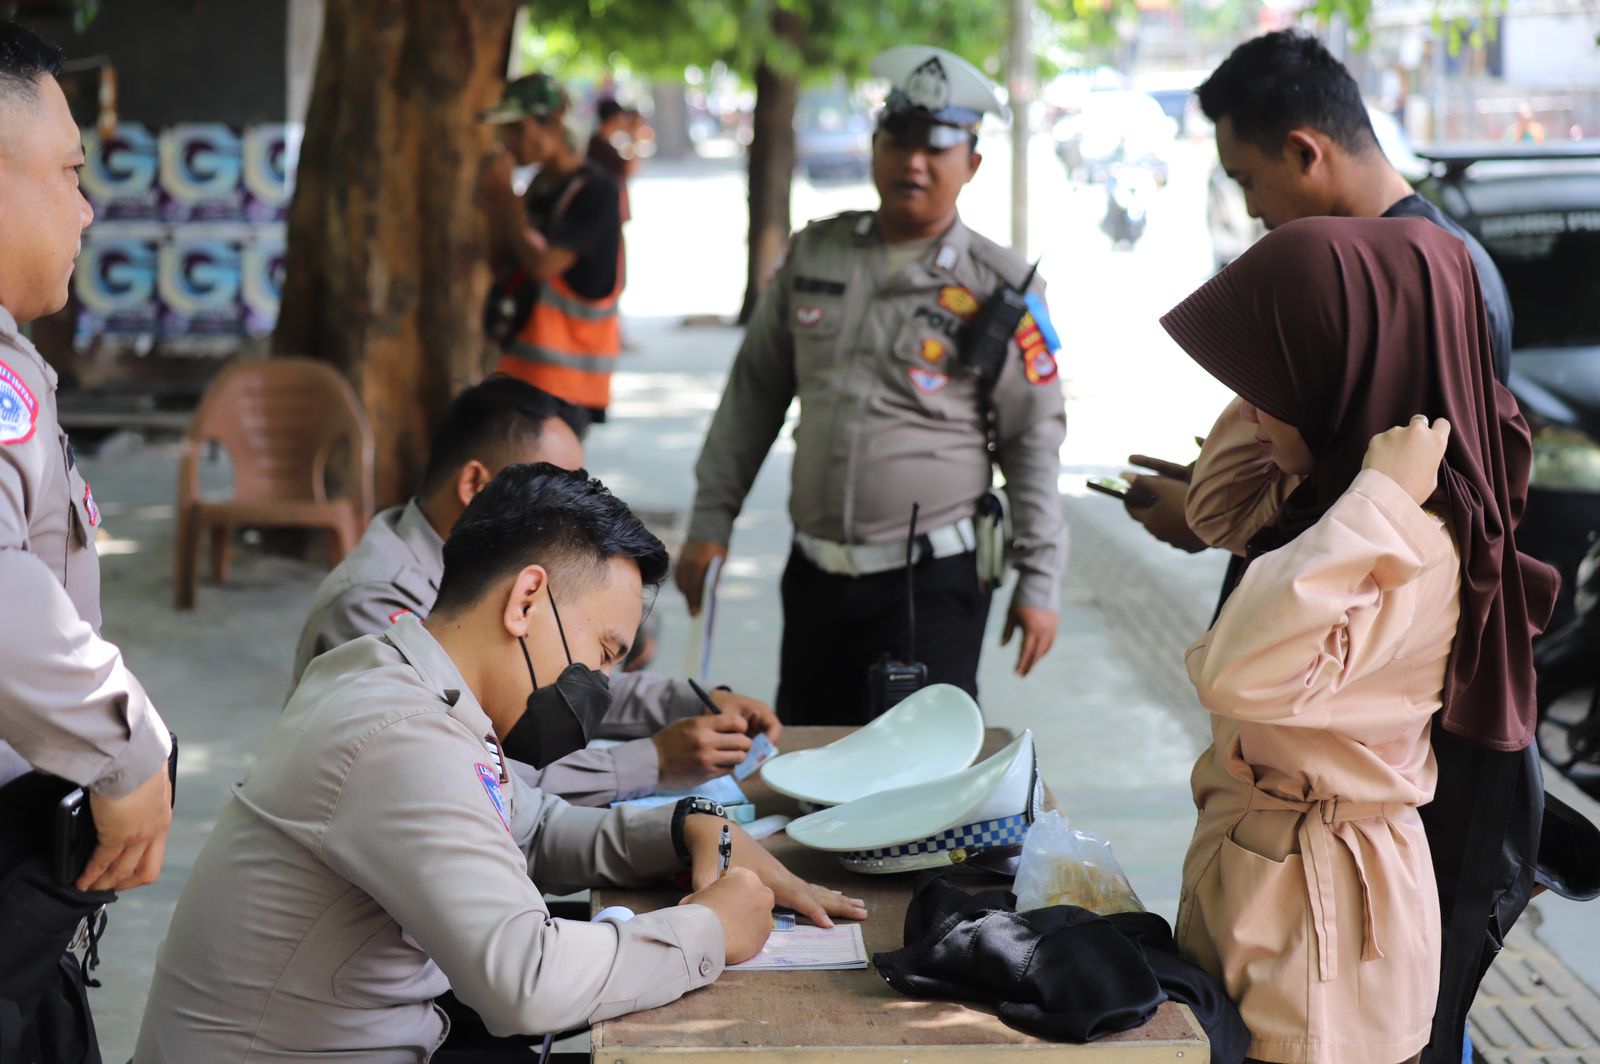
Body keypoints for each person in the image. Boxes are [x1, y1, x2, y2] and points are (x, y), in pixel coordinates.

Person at [135, 463, 866, 1063]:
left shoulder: (406, 679)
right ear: (525, 601)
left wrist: (687, 827)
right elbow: (528, 984)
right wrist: (710, 929)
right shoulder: (402, 735)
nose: (600, 684)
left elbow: (529, 825)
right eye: (603, 652)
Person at [1163, 217, 1557, 1064]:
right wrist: (1301, 401)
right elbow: (1217, 508)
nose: (1254, 407)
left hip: (1325, 934)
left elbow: (1237, 672)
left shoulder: (1411, 537)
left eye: (1279, 375)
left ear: (1341, 372)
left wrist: (1376, 495)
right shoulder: (1331, 501)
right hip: (1271, 890)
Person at [677, 46, 1067, 724]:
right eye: (898, 140)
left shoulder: (999, 287)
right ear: (875, 146)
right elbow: (753, 396)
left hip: (931, 583)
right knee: (806, 755)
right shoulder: (817, 254)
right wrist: (710, 522)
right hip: (815, 574)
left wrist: (1040, 578)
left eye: (936, 147)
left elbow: (1032, 437)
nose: (913, 162)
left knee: (918, 770)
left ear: (971, 163)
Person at [293, 375, 780, 806]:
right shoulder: (376, 603)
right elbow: (485, 778)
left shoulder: (482, 570)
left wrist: (691, 701)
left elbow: (564, 679)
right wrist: (652, 761)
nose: (573, 514)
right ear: (475, 484)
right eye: (547, 489)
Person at [481, 73, 624, 424]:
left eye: (518, 129)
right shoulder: (540, 187)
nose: (510, 142)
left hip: (568, 386)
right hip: (525, 375)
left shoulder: (597, 191)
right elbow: (502, 261)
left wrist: (509, 202)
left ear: (554, 122)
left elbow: (543, 266)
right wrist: (496, 206)